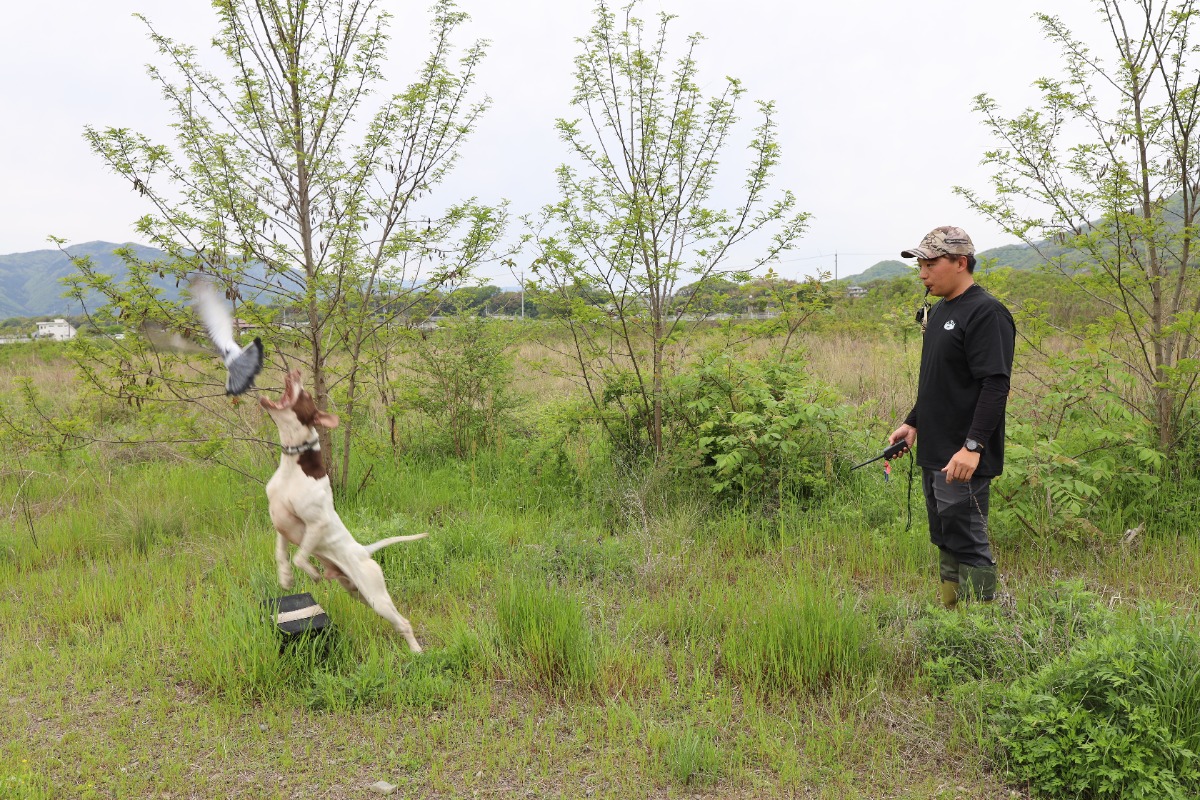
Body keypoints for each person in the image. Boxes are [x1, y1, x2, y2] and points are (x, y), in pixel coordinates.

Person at [888, 226, 1015, 608]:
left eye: (930, 264)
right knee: (944, 534)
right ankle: (952, 613)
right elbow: (937, 380)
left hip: (963, 455)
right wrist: (913, 422)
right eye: (920, 265)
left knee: (968, 538)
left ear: (960, 262)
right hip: (935, 448)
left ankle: (982, 629)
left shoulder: (986, 312)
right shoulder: (941, 310)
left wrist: (972, 447)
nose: (923, 273)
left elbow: (995, 385)